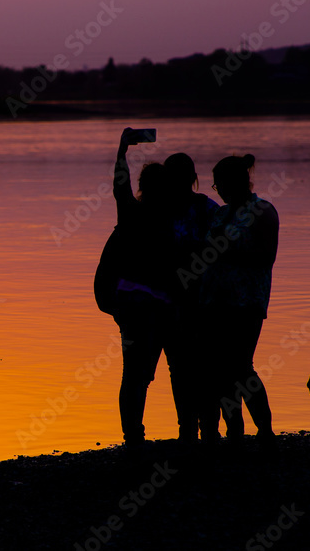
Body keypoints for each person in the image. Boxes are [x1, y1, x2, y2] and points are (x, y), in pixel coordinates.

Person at [200, 153, 278, 442]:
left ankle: (265, 430)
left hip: (247, 302)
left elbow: (267, 256)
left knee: (242, 366)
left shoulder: (263, 211)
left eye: (218, 184)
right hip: (213, 302)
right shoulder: (220, 213)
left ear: (231, 182)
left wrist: (227, 252)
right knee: (221, 370)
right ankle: (235, 429)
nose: (216, 190)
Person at [110, 128, 176, 451]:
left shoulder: (131, 214)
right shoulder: (172, 221)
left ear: (142, 188)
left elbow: (119, 186)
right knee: (142, 373)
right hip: (150, 306)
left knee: (133, 372)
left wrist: (122, 151)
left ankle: (133, 435)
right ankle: (136, 435)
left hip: (130, 304)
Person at [161, 153, 220, 443]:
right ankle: (195, 428)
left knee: (189, 366)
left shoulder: (205, 209)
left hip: (197, 300)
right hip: (181, 300)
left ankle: (199, 428)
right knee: (191, 365)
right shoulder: (206, 208)